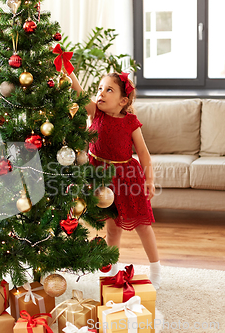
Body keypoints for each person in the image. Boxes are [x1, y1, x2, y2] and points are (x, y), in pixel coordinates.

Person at [69, 71, 161, 289]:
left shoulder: (130, 122)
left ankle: (155, 267)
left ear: (122, 101)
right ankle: (113, 266)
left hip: (128, 178)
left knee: (143, 225)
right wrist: (69, 70)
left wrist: (150, 180)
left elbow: (144, 154)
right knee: (112, 228)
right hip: (101, 179)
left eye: (109, 89)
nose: (101, 93)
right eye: (100, 88)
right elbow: (78, 91)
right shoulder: (96, 114)